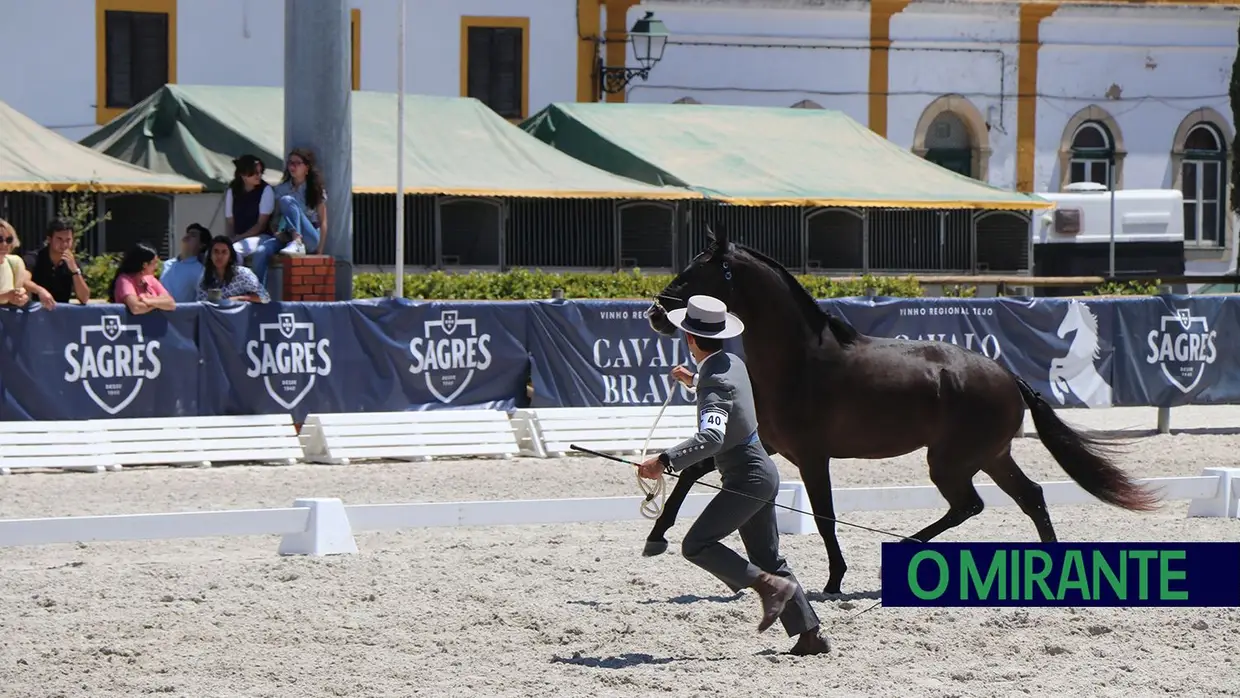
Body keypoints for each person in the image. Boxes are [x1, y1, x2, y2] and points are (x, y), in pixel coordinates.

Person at [638, 294, 830, 657]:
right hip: (761, 473)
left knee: (697, 545)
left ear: (690, 339)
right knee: (769, 558)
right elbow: (728, 399)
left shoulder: (715, 381)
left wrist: (664, 460)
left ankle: (768, 588)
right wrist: (693, 381)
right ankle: (810, 635)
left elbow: (711, 437)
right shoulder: (729, 362)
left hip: (747, 480)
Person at [226, 154, 277, 280]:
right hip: (240, 236)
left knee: (235, 250)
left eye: (260, 172)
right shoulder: (232, 191)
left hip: (261, 236)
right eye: (254, 173)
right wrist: (231, 238)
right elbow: (230, 221)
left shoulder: (266, 190)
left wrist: (238, 238)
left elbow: (261, 225)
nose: (258, 176)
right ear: (243, 175)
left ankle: (242, 285)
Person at [269, 147, 326, 257]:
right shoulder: (281, 189)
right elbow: (276, 217)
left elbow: (323, 222)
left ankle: (297, 241)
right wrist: (276, 233)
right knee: (262, 251)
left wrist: (320, 250)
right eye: (290, 163)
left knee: (287, 200)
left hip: (310, 237)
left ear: (307, 168)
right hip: (287, 235)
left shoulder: (315, 189)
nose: (292, 166)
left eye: (297, 163)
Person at [23, 217, 90, 305]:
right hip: (37, 312)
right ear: (49, 239)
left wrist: (75, 270)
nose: (64, 244)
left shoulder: (73, 263)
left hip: (61, 314)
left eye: (68, 240)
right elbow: (23, 281)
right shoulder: (34, 258)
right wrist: (40, 291)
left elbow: (84, 298)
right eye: (59, 239)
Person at [197, 235, 269, 304]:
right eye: (216, 252)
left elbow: (264, 298)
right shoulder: (204, 278)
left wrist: (238, 299)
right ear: (210, 256)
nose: (219, 256)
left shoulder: (244, 274)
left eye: (224, 252)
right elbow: (201, 305)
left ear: (230, 257)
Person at [109, 242, 175, 315]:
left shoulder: (151, 279)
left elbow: (171, 303)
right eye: (154, 263)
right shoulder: (124, 280)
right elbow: (136, 308)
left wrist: (148, 301)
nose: (156, 267)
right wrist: (160, 304)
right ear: (144, 265)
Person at [160, 223, 212, 302]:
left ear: (202, 245)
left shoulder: (202, 270)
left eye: (193, 235)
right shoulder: (166, 264)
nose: (187, 236)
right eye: (187, 233)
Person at [0, 218, 30, 308]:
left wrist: (20, 297)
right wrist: (7, 296)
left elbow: (17, 293)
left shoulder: (15, 262)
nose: (4, 244)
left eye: (9, 240)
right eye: (0, 239)